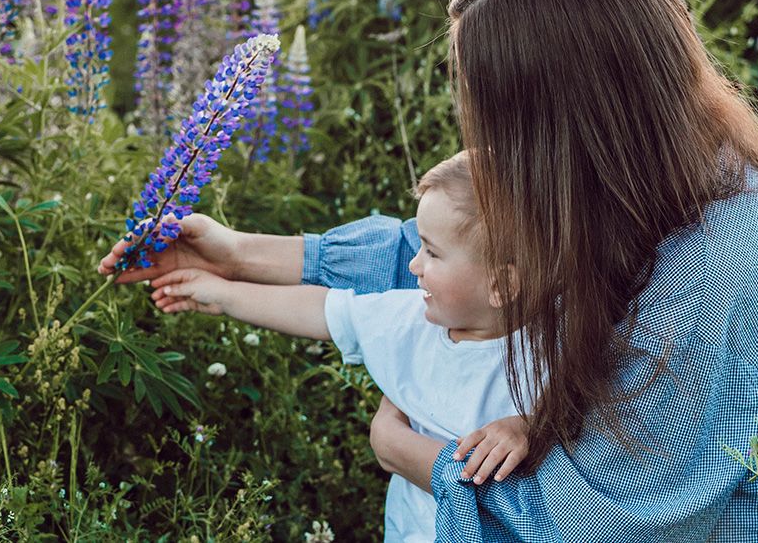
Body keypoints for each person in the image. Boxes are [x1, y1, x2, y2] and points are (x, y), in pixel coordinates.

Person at [101, 0, 758, 541]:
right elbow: (461, 252)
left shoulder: (727, 263)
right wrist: (240, 253)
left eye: (495, 115)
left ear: (567, 119)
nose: (480, 136)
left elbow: (599, 525)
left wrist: (414, 457)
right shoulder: (644, 170)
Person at [114, 152, 533, 543]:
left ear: (500, 285)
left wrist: (528, 426)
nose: (414, 265)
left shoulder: (553, 347)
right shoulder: (409, 321)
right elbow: (323, 310)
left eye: (432, 252)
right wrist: (220, 293)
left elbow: (582, 416)